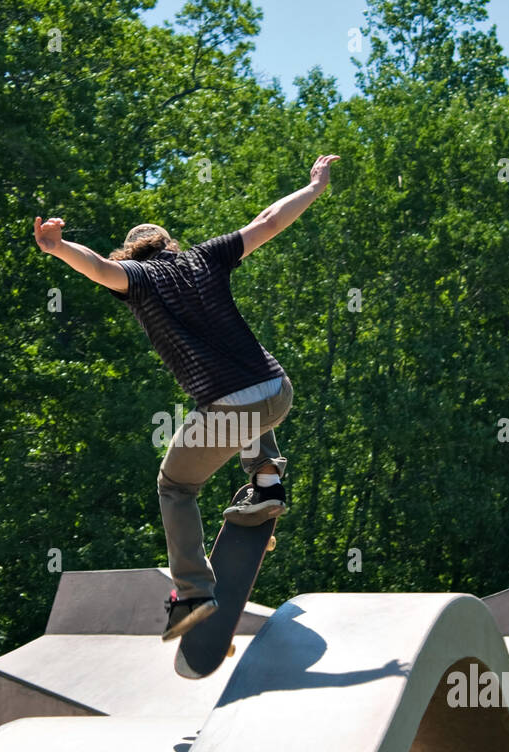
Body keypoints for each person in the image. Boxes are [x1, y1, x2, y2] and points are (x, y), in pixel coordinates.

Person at [34, 154, 339, 640]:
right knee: (251, 401)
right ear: (171, 245)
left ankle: (193, 593)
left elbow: (95, 268)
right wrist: (314, 188)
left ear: (130, 256)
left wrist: (59, 246)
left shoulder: (136, 279)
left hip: (229, 408)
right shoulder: (206, 256)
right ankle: (266, 482)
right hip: (278, 391)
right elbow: (268, 220)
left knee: (175, 486)